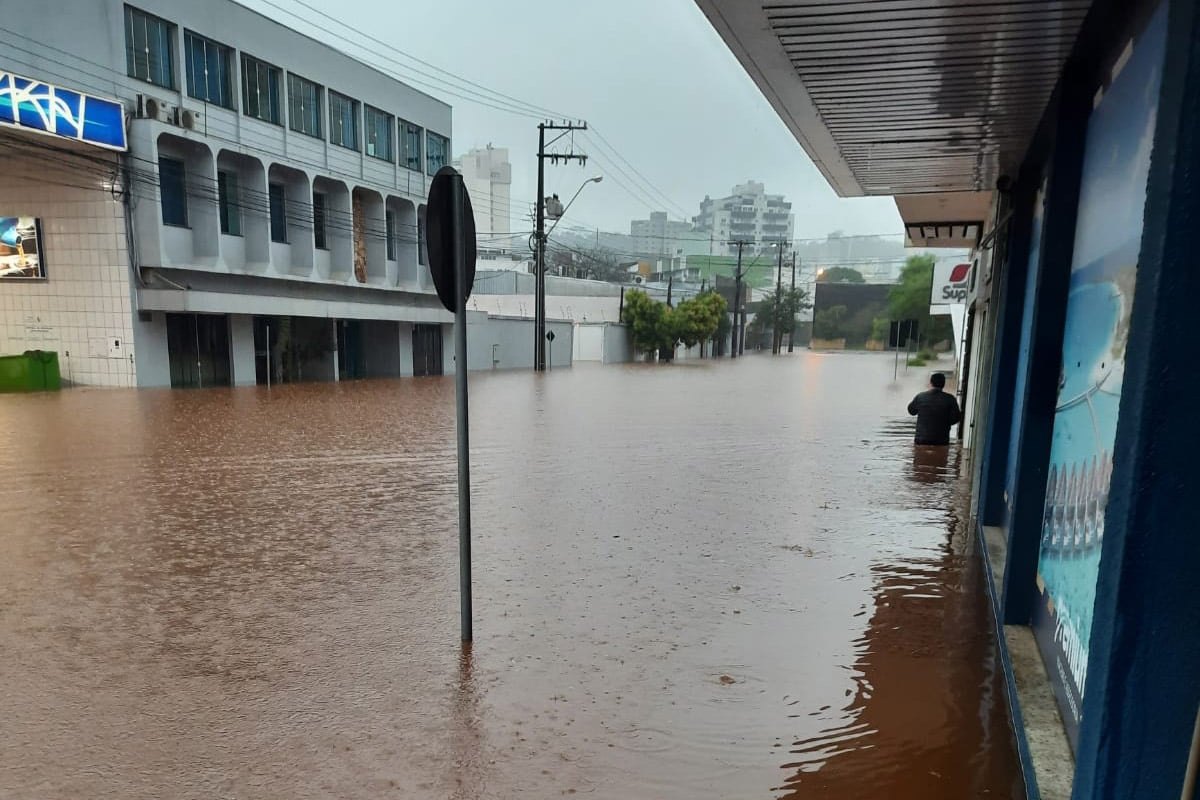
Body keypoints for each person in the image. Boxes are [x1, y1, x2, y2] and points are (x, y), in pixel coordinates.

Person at [907, 372, 962, 446]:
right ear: (944, 384)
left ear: (931, 383)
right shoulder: (950, 399)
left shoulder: (920, 397)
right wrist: (945, 422)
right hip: (941, 440)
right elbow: (957, 417)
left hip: (921, 440)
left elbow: (911, 411)